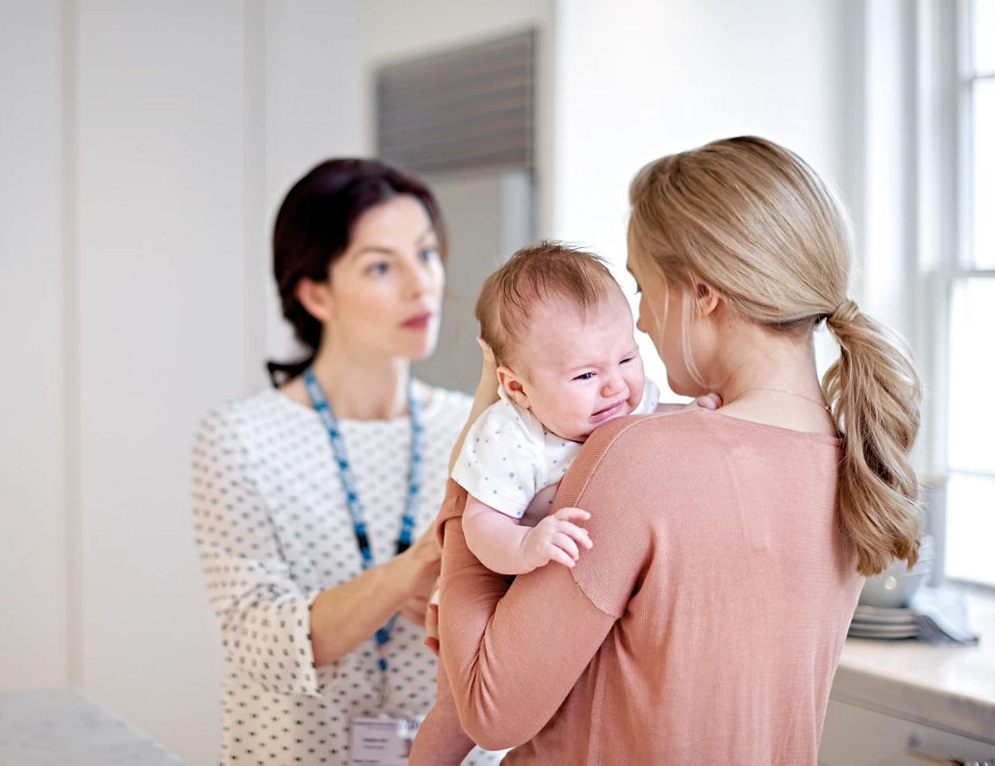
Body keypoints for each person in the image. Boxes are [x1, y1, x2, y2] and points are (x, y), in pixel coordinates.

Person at [413, 136, 923, 764]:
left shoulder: (639, 456)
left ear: (701, 293)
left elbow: (490, 708)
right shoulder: (851, 464)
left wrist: (474, 481)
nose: (645, 322)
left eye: (642, 287)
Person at [191, 159, 501, 765]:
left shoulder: (485, 430)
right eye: (381, 266)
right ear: (315, 293)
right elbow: (259, 638)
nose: (422, 284)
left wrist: (462, 595)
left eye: (427, 253)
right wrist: (403, 577)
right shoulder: (241, 439)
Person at [451, 243, 659, 576]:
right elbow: (480, 522)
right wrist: (525, 545)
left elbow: (656, 417)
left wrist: (693, 413)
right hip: (533, 575)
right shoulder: (513, 438)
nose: (616, 385)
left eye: (626, 359)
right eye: (586, 374)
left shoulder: (621, 400)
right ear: (519, 389)